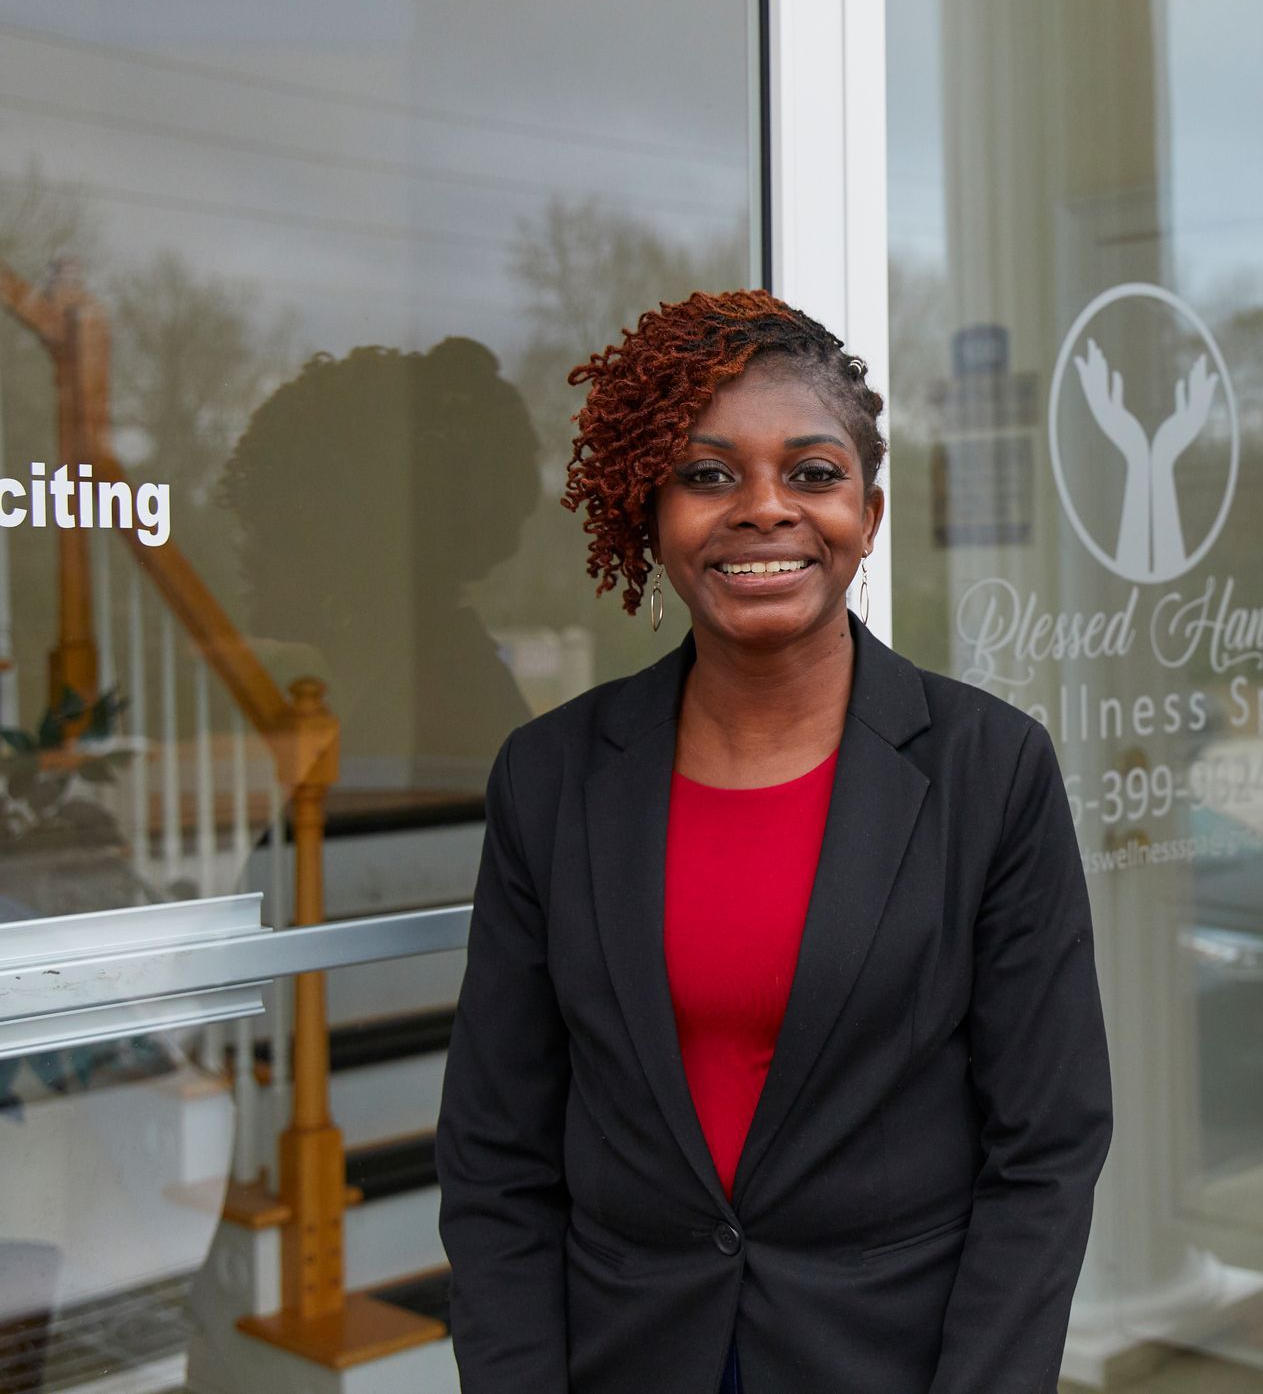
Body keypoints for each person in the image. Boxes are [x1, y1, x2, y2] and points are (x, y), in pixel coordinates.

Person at [435, 290, 1114, 1393]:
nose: (763, 508)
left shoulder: (990, 771)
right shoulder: (549, 778)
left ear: (868, 515)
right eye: (708, 475)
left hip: (891, 1362)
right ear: (650, 512)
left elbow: (1046, 1148)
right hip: (624, 1358)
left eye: (812, 472)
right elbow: (495, 1149)